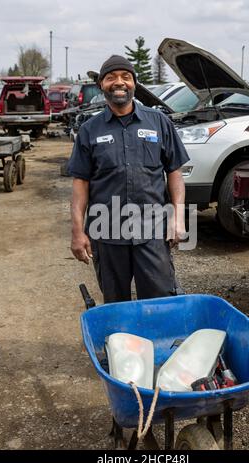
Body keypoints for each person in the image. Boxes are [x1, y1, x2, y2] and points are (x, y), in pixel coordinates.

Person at [68, 55, 190, 303]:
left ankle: (154, 341)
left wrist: (178, 217)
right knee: (116, 303)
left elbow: (175, 173)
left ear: (135, 83)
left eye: (125, 77)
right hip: (107, 232)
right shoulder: (90, 130)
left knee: (159, 300)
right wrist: (77, 232)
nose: (119, 82)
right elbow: (80, 185)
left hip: (153, 230)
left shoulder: (159, 122)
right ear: (102, 85)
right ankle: (121, 342)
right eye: (111, 77)